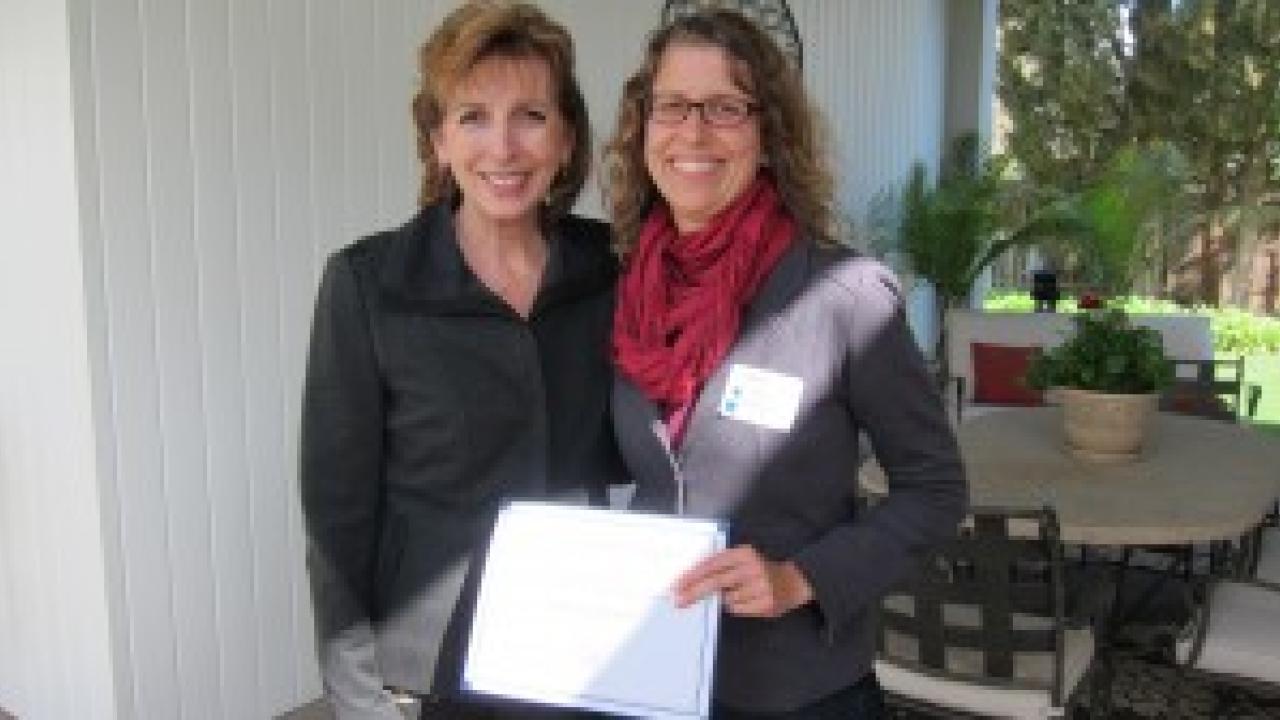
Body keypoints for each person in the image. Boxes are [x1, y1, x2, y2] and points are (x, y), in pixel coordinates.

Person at [605, 9, 967, 718]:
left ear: (769, 134)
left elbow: (936, 489)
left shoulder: (844, 296)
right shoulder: (627, 295)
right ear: (643, 128)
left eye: (727, 108)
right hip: (650, 676)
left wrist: (803, 577)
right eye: (672, 106)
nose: (694, 132)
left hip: (798, 690)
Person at [300, 2, 619, 718]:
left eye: (531, 116)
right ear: (437, 141)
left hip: (584, 646)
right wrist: (356, 694)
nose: (502, 147)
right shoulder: (367, 284)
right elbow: (336, 516)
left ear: (566, 139)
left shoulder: (612, 270)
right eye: (472, 116)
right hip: (435, 669)